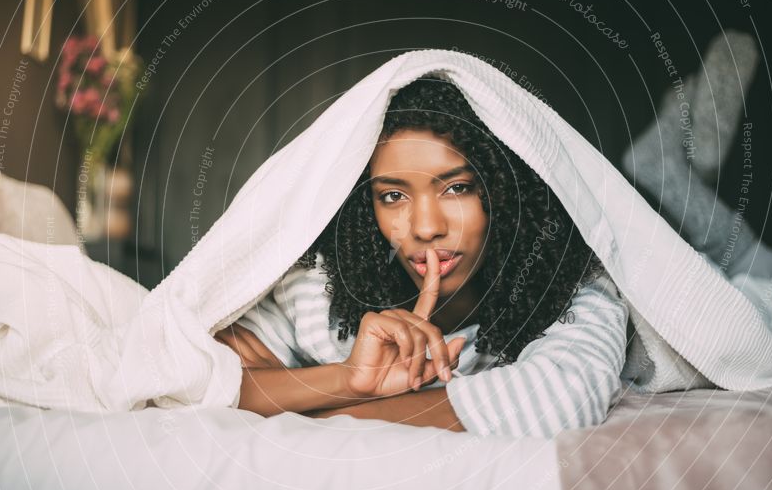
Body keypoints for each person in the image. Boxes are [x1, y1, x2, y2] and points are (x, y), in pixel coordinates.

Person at [214, 76, 630, 438]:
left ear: (508, 191)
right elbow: (211, 376)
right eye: (393, 196)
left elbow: (563, 400)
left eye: (457, 188)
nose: (426, 227)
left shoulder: (568, 289)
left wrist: (329, 414)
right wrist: (351, 381)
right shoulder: (319, 288)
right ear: (366, 210)